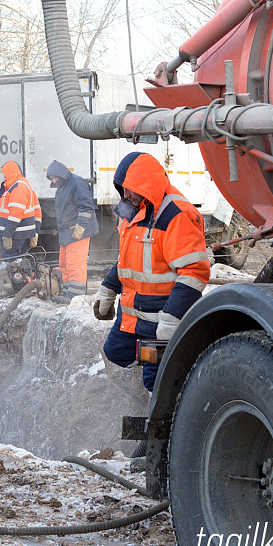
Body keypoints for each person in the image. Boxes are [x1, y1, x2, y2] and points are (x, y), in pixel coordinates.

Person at [93, 151, 210, 394]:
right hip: (134, 317)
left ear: (147, 185)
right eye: (122, 188)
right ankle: (165, 366)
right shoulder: (131, 209)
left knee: (156, 381)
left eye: (130, 188)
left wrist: (172, 319)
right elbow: (125, 259)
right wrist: (107, 290)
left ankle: (170, 398)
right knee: (116, 352)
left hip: (160, 318)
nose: (125, 195)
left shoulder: (178, 215)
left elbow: (193, 273)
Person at [46, 160, 99, 298]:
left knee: (75, 265)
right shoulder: (62, 186)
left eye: (55, 177)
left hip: (77, 232)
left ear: (60, 174)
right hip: (67, 232)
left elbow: (87, 206)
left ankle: (75, 297)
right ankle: (68, 293)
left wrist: (80, 227)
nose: (54, 180)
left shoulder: (76, 183)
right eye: (52, 179)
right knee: (65, 264)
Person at [0, 161, 42, 259]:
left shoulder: (17, 188)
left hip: (15, 234)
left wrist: (8, 234)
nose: (4, 177)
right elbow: (37, 211)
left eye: (5, 174)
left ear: (10, 173)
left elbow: (15, 215)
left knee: (10, 264)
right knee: (19, 262)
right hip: (22, 233)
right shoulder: (22, 186)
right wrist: (36, 232)